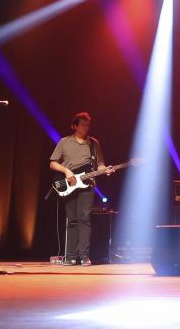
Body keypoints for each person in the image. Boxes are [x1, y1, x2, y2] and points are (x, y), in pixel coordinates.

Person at [49, 112, 112, 266]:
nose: (86, 127)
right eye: (83, 124)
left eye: (88, 125)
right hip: (69, 184)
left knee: (84, 218)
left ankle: (84, 256)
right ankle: (70, 256)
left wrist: (105, 169)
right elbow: (52, 163)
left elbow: (100, 164)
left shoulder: (93, 143)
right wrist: (67, 171)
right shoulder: (64, 142)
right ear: (75, 126)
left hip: (87, 184)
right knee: (72, 220)